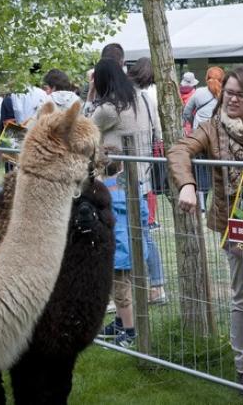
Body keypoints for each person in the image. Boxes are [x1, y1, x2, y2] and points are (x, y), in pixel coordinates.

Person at [167, 65, 243, 395]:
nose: (232, 99)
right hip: (238, 226)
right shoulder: (212, 127)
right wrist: (187, 185)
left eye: (240, 94)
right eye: (228, 93)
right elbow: (179, 150)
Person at [98, 146, 153, 348]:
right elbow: (144, 214)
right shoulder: (132, 185)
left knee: (121, 294)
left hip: (117, 249)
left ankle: (130, 332)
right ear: (121, 166)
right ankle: (119, 324)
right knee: (122, 288)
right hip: (134, 245)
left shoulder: (101, 191)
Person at [126, 57, 166, 303]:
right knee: (143, 233)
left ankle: (149, 285)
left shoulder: (127, 98)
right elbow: (158, 135)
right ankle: (156, 285)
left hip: (131, 175)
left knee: (139, 234)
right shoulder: (148, 100)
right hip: (144, 172)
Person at [181, 66, 225, 212]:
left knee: (200, 170)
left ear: (206, 79)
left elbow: (186, 112)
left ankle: (202, 206)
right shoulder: (226, 95)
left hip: (199, 137)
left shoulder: (198, 93)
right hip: (218, 139)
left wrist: (193, 122)